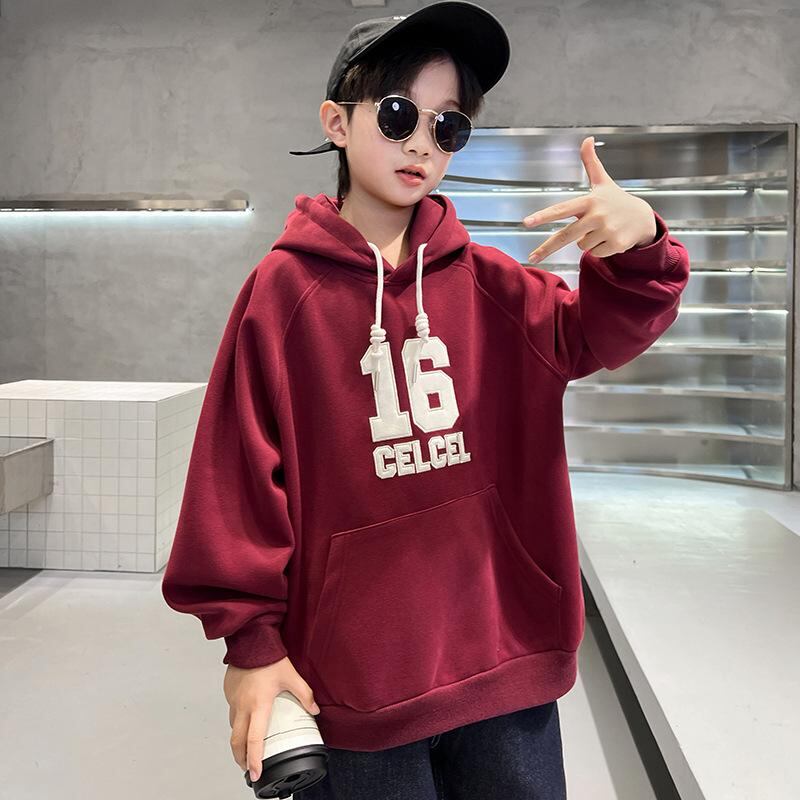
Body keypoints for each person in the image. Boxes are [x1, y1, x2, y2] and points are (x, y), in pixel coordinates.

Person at [161, 2, 691, 798]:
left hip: (505, 663)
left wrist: (643, 242)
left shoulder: (494, 287)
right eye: (399, 114)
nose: (421, 143)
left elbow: (604, 334)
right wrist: (253, 645)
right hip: (357, 683)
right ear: (336, 122)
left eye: (448, 127)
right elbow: (235, 482)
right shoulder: (283, 294)